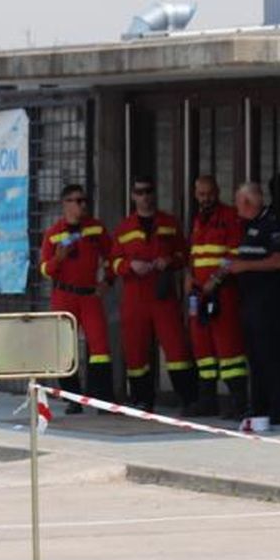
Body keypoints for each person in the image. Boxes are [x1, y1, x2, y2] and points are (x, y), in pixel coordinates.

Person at [110, 175, 194, 413]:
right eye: (140, 192)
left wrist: (169, 260)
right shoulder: (124, 227)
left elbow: (184, 255)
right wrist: (130, 266)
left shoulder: (169, 223)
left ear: (154, 194)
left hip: (162, 294)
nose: (144, 196)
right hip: (135, 296)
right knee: (135, 350)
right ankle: (142, 399)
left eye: (148, 191)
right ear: (133, 196)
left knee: (176, 348)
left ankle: (188, 399)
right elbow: (113, 262)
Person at [39, 183, 112, 413]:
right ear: (65, 204)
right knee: (64, 350)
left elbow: (111, 256)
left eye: (84, 201)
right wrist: (59, 258)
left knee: (100, 349)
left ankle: (102, 400)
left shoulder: (96, 228)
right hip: (64, 295)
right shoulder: (53, 233)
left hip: (89, 296)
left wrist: (108, 282)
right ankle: (73, 399)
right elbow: (44, 269)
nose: (82, 205)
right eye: (77, 201)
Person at [184, 175, 248, 417]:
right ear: (195, 195)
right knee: (202, 349)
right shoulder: (198, 220)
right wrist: (189, 276)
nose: (206, 198)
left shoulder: (229, 217)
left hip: (223, 292)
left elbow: (234, 254)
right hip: (198, 293)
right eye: (201, 194)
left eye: (209, 194)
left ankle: (239, 402)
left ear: (217, 192)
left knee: (229, 347)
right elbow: (194, 255)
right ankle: (207, 401)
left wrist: (216, 278)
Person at [233, 182, 280, 426]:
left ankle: (278, 410)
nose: (237, 209)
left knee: (271, 356)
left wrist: (245, 266)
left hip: (268, 303)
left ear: (248, 202)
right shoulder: (249, 226)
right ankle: (258, 408)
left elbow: (279, 261)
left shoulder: (272, 224)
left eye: (238, 203)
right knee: (255, 357)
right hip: (249, 301)